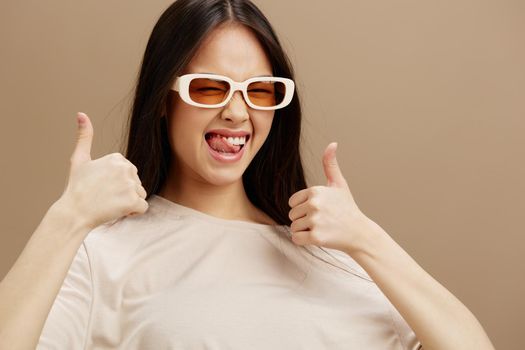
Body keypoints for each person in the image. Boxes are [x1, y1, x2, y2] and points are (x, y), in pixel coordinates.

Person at [0, 0, 496, 349]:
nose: (238, 114)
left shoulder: (336, 258)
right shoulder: (102, 252)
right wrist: (67, 219)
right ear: (163, 101)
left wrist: (368, 240)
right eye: (211, 88)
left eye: (260, 91)